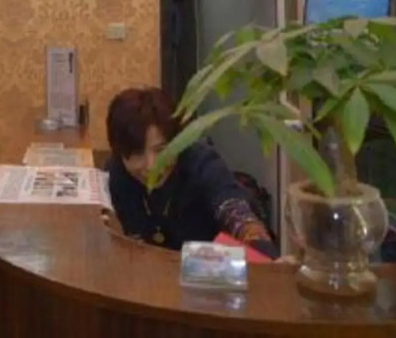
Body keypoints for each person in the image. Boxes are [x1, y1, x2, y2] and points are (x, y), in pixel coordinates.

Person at [106, 87, 279, 259]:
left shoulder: (200, 161)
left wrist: (268, 258)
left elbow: (235, 211)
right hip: (152, 268)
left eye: (161, 150)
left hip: (213, 267)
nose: (152, 166)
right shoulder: (114, 175)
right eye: (137, 154)